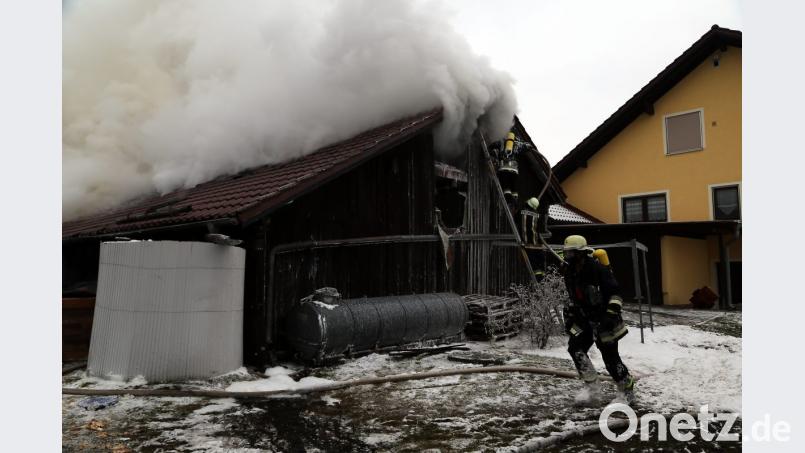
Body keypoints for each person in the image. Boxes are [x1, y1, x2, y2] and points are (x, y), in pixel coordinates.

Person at [560, 235, 636, 404]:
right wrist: (570, 318)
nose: (567, 257)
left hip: (604, 321)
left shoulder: (598, 270)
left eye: (571, 253)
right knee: (575, 349)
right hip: (583, 320)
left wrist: (609, 315)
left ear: (581, 253)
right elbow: (573, 297)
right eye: (566, 253)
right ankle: (592, 388)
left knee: (610, 359)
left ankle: (627, 390)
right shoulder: (570, 272)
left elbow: (616, 294)